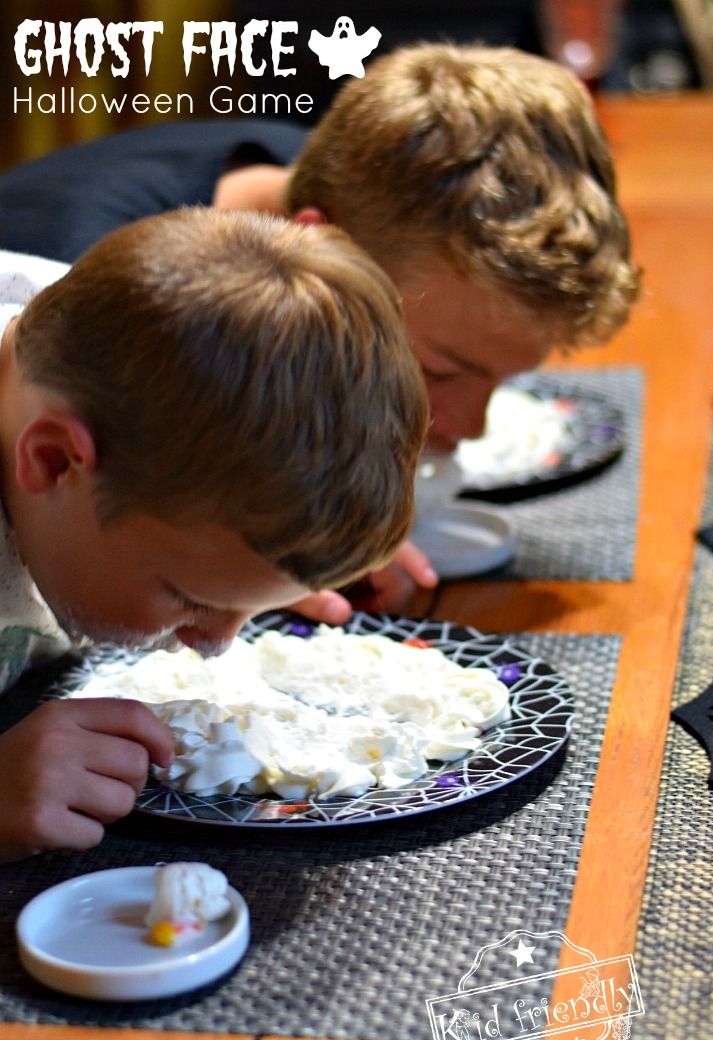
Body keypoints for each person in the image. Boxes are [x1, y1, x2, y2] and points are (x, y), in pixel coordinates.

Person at [0, 43, 640, 610]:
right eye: (439, 369)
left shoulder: (334, 177)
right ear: (322, 251)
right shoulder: (85, 325)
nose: (470, 431)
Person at [0, 208, 428, 860]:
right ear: (54, 461)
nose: (217, 643)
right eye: (188, 595)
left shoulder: (99, 358)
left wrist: (257, 573)